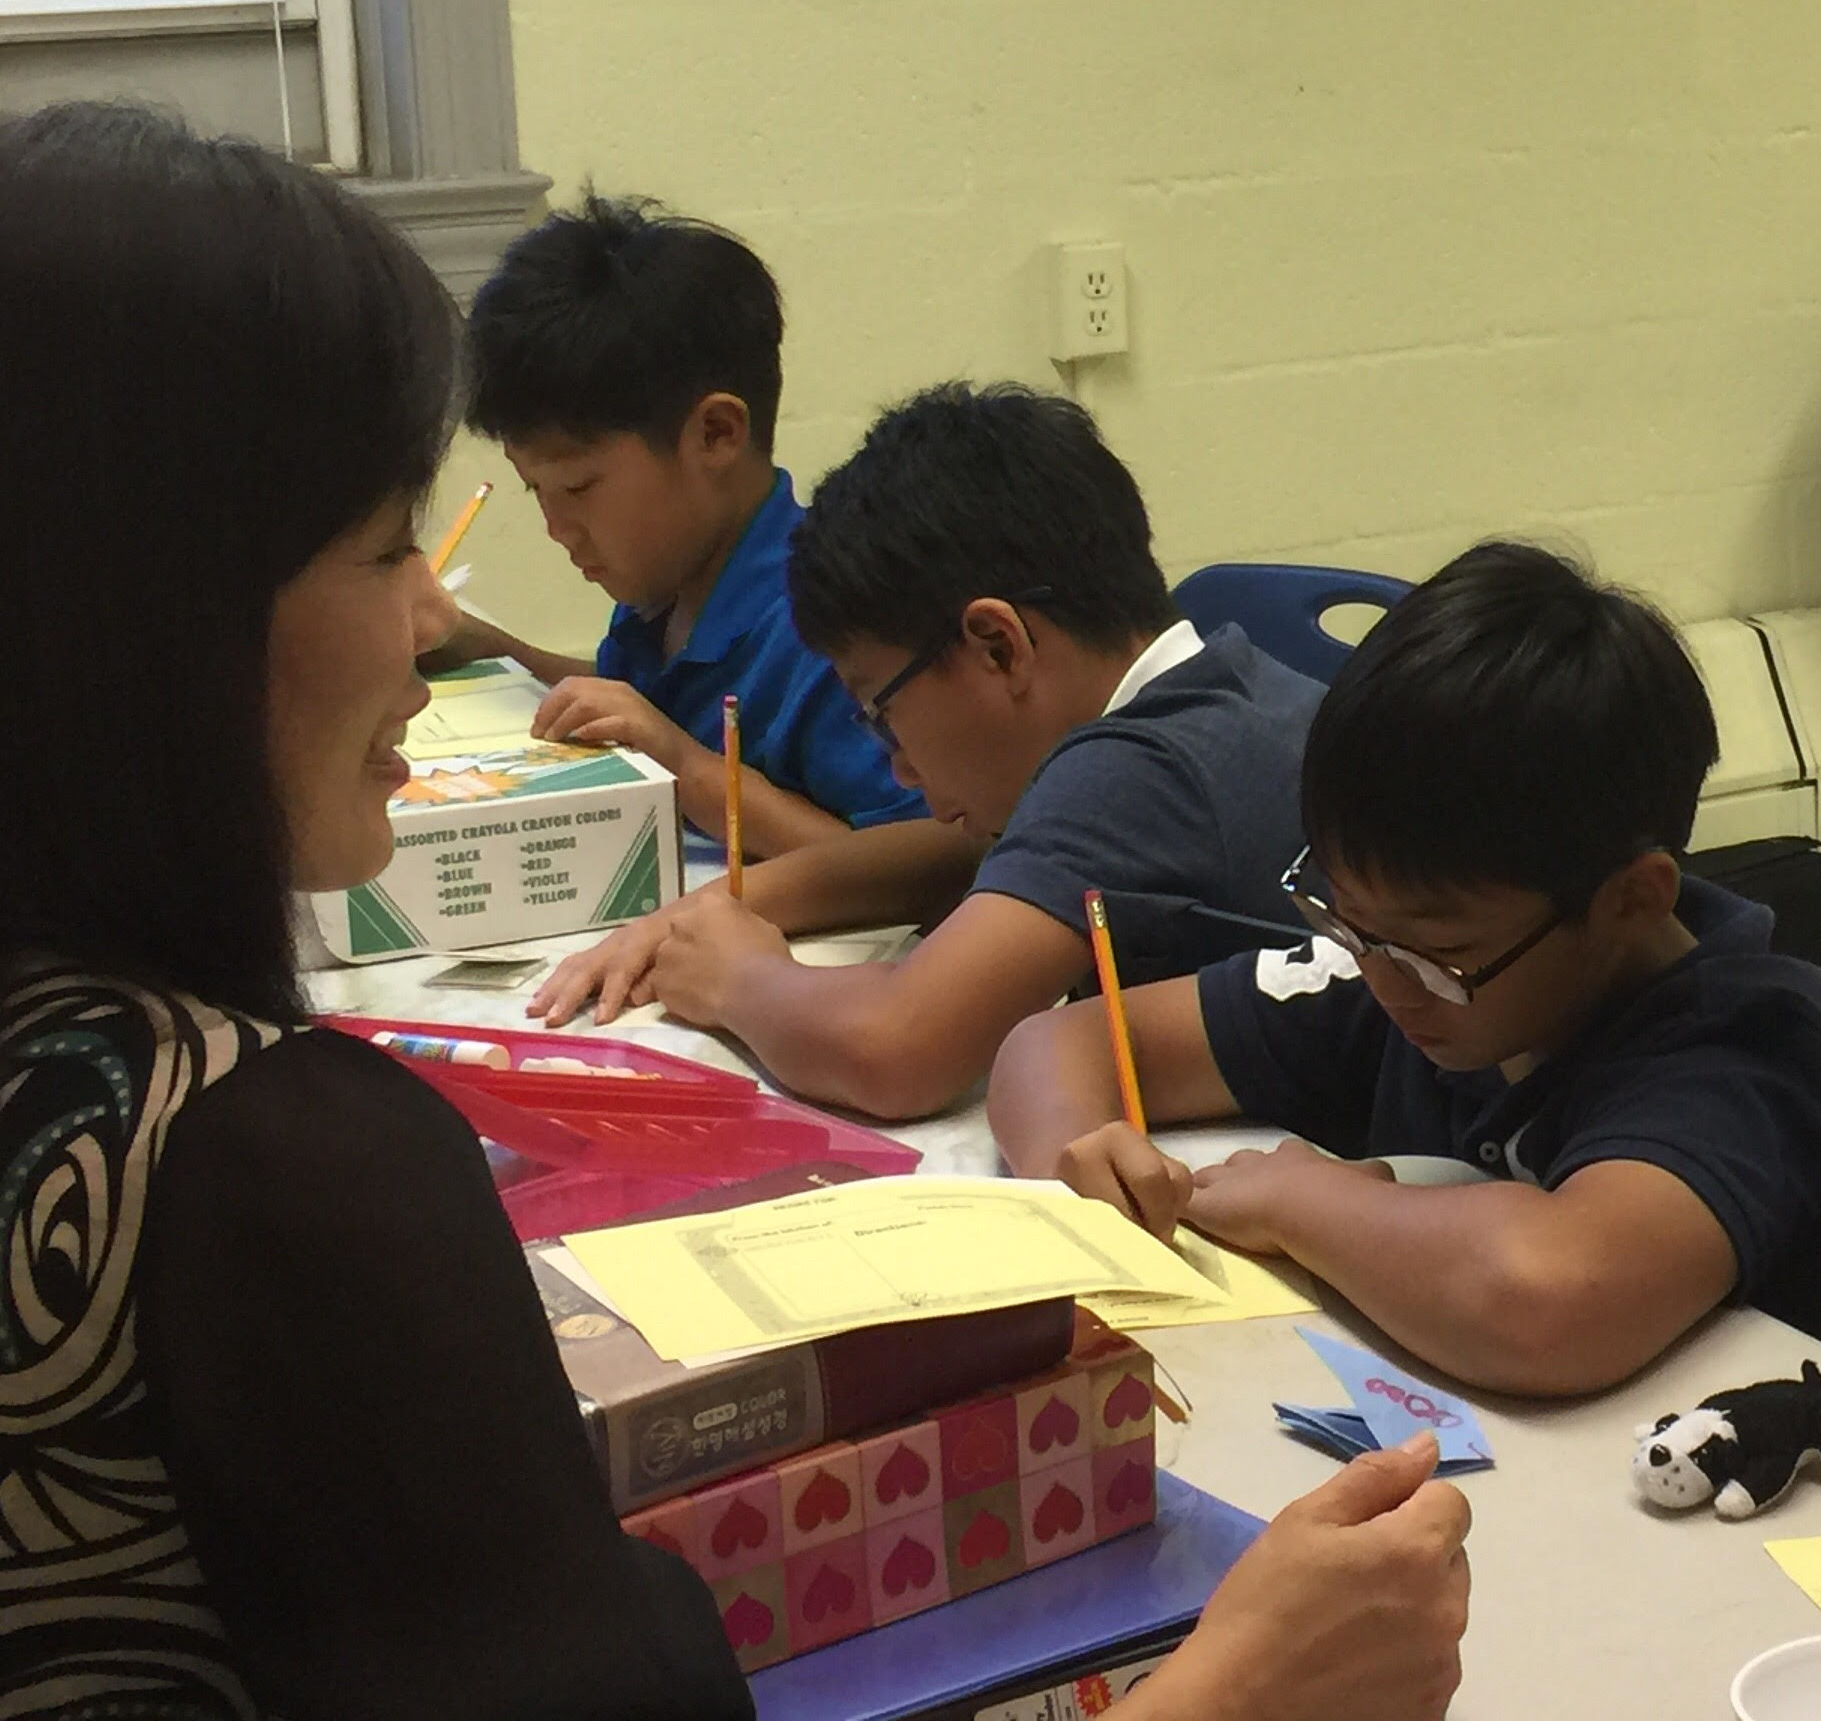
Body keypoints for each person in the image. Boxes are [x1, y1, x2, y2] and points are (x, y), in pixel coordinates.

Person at [0, 105, 1470, 1721]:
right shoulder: (252, 1168)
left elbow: (921, 1026)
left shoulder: (155, 1116)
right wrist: (1237, 1690)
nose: (426, 621)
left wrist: (748, 954)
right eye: (384, 549)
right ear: (163, 614)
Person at [987, 541, 1821, 1397]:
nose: (1382, 979)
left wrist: (1299, 1202)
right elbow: (1052, 1044)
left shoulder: (1738, 1054)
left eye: (1438, 954)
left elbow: (1545, 1300)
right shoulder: (1399, 965)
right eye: (1346, 919)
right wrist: (1081, 1162)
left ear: (1629, 901)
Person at [532, 383, 1324, 1119]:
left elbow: (898, 1051)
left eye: (882, 715)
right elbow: (959, 853)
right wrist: (724, 909)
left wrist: (738, 978)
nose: (900, 768)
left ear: (999, 647)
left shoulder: (1136, 772)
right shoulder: (1224, 689)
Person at [438, 193, 920, 855]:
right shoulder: (668, 587)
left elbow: (928, 861)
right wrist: (490, 649)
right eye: (535, 491)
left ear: (716, 433)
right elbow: (636, 705)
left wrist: (685, 768)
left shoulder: (833, 634)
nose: (557, 529)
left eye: (578, 487)